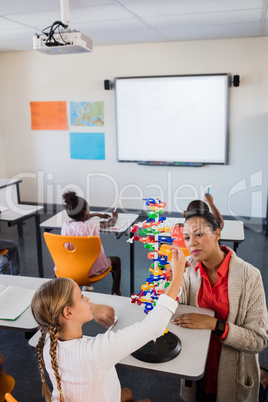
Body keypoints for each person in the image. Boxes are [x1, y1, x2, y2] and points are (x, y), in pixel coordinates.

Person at [30, 247, 185, 402]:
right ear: (68, 313)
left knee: (127, 393)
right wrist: (177, 276)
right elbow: (154, 326)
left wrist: (90, 309)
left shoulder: (48, 344)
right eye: (82, 297)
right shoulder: (95, 352)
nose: (89, 300)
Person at [171, 209, 268, 402]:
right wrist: (173, 278)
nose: (192, 243)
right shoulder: (188, 270)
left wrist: (215, 324)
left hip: (231, 373)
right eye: (187, 238)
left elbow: (258, 340)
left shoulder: (250, 276)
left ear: (217, 234)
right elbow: (173, 313)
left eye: (199, 234)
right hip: (196, 366)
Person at [62, 191, 121, 295]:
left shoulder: (66, 225)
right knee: (116, 261)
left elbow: (81, 218)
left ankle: (86, 286)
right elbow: (111, 223)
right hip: (90, 269)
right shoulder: (92, 225)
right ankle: (116, 291)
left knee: (81, 255)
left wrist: (97, 214)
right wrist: (115, 216)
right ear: (85, 213)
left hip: (69, 268)